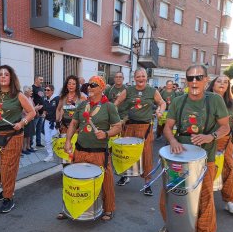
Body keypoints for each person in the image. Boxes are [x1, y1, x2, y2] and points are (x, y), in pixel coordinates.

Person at [159, 64, 230, 232]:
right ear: (186, 81)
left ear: (206, 80)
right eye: (190, 78)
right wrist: (172, 141)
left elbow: (225, 127)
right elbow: (167, 128)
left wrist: (210, 136)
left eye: (199, 77)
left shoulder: (214, 100)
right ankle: (172, 224)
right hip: (179, 160)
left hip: (204, 160)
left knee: (205, 202)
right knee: (171, 194)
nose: (195, 82)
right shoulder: (179, 101)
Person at [58, 76, 122, 221]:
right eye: (88, 85)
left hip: (98, 153)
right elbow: (74, 124)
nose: (89, 88)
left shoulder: (109, 107)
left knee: (105, 180)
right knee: (75, 181)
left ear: (102, 88)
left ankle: (108, 209)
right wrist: (67, 141)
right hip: (80, 150)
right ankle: (69, 208)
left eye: (93, 85)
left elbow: (118, 127)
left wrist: (106, 133)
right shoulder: (82, 104)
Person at [0, 65, 36, 213]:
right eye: (0, 75)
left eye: (6, 74)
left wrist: (22, 122)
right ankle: (6, 189)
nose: (3, 77)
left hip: (13, 136)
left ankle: (8, 198)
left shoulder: (18, 95)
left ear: (11, 78)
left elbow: (31, 112)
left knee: (8, 168)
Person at [114, 68, 166, 195]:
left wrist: (160, 111)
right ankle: (124, 175)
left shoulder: (152, 91)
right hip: (129, 126)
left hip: (145, 128)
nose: (141, 79)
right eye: (138, 76)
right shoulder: (128, 90)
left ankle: (147, 183)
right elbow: (116, 103)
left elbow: (162, 102)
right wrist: (115, 116)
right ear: (134, 78)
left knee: (146, 155)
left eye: (143, 76)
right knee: (126, 153)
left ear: (146, 77)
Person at [207, 76, 233, 214]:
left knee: (228, 169)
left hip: (225, 142)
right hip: (205, 142)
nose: (222, 83)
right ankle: (201, 200)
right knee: (204, 171)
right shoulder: (204, 99)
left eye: (225, 82)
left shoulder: (232, 102)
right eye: (219, 81)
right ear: (213, 85)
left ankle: (229, 201)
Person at [42, 84, 60, 162]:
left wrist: (58, 122)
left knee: (54, 138)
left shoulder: (57, 98)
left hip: (55, 122)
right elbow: (45, 110)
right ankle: (50, 155)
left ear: (52, 91)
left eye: (48, 90)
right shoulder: (45, 99)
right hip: (47, 121)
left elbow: (60, 110)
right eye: (45, 90)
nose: (46, 91)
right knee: (47, 139)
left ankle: (57, 153)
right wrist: (43, 114)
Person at [22, 86, 37, 154]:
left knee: (30, 133)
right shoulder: (23, 98)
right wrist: (34, 109)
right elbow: (22, 109)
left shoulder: (30, 98)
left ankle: (28, 147)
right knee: (26, 134)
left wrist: (35, 108)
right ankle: (24, 148)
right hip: (25, 118)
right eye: (30, 91)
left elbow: (32, 107)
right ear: (26, 92)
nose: (32, 92)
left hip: (31, 117)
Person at [32, 76, 45, 147]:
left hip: (41, 113)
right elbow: (31, 101)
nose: (42, 81)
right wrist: (35, 111)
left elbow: (42, 99)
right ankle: (30, 145)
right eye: (40, 79)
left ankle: (38, 142)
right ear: (36, 80)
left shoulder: (41, 88)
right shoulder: (32, 88)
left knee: (39, 129)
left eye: (42, 80)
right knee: (32, 129)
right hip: (35, 113)